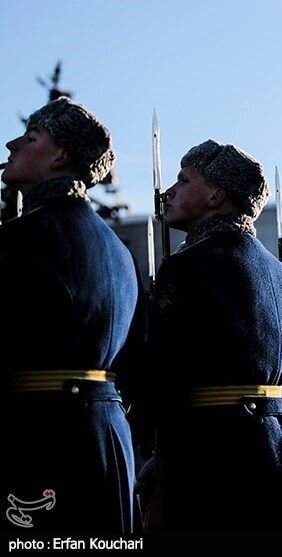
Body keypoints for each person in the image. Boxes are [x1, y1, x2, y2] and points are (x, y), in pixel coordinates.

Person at [143, 140, 282, 532]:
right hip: (279, 445)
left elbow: (165, 369)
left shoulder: (188, 265)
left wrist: (158, 453)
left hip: (212, 447)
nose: (169, 192)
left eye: (184, 180)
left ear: (217, 195)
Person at [0, 97, 139, 533]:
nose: (11, 143)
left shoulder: (21, 238)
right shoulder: (118, 249)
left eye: (31, 137)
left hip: (38, 435)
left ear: (60, 157)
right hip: (109, 436)